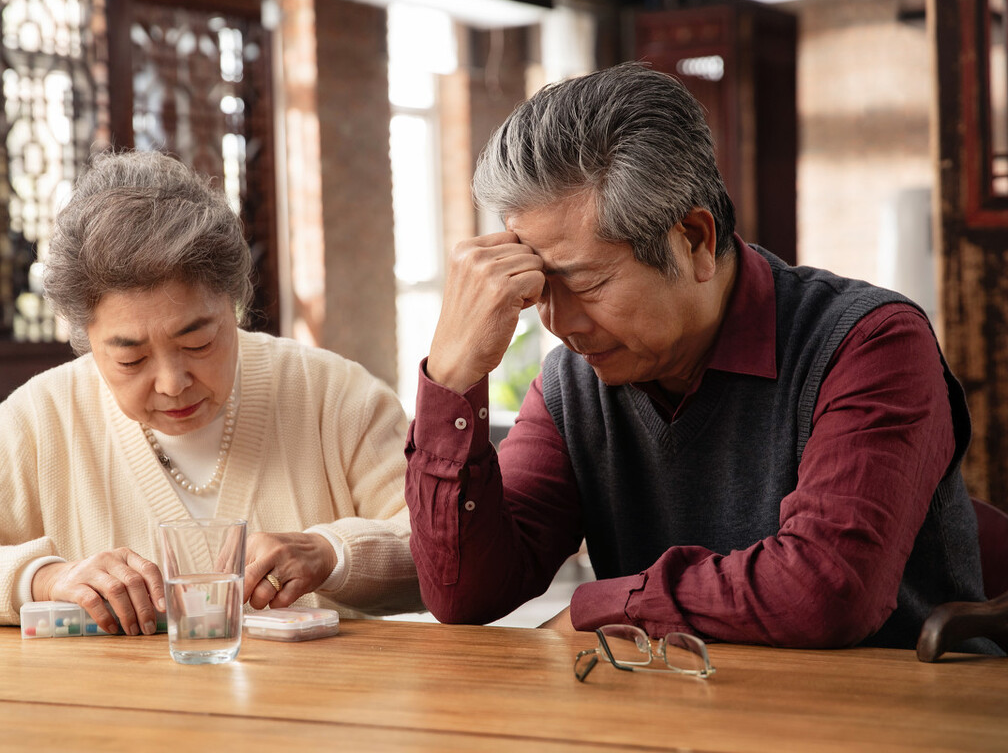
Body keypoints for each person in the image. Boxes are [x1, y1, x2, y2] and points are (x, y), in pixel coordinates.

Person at [406, 61, 999, 652]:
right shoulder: (573, 384)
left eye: (585, 284)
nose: (560, 324)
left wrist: (602, 606)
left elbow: (825, 592)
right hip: (680, 721)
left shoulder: (871, 345)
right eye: (540, 288)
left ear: (694, 240)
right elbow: (467, 592)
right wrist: (452, 376)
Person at [0, 150, 421, 635]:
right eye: (130, 357)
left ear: (234, 305)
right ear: (85, 340)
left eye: (198, 342)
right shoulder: (48, 414)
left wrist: (333, 554)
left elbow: (444, 551)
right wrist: (49, 578)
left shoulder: (333, 395)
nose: (172, 383)